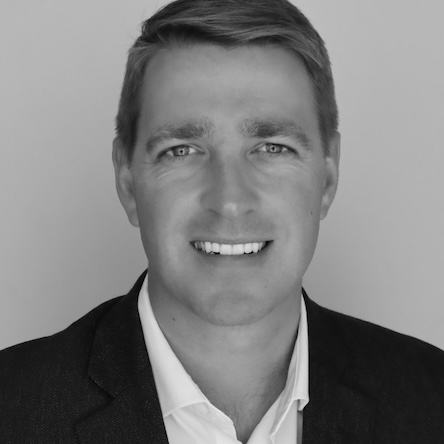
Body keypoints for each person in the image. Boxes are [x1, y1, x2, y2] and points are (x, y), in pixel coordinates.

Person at [1, 0, 443, 442]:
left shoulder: (432, 401)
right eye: (181, 151)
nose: (230, 201)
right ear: (127, 181)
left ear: (327, 177)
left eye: (272, 147)